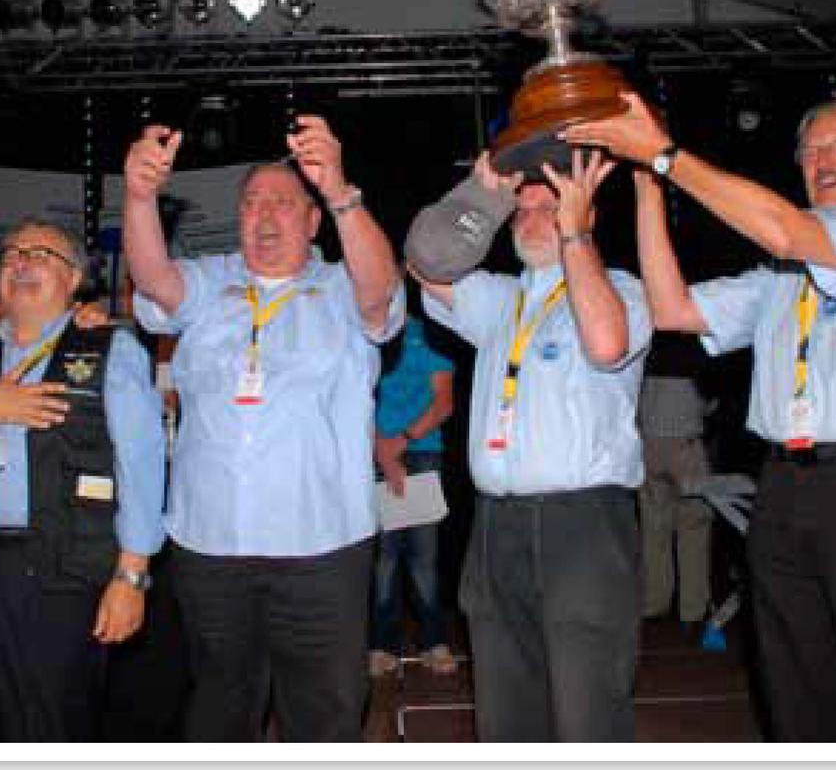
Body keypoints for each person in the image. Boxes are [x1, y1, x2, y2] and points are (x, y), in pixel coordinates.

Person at [562, 95, 836, 741]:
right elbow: (672, 310)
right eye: (808, 150)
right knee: (797, 691)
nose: (820, 160)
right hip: (785, 489)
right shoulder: (782, 272)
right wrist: (649, 187)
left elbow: (784, 228)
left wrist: (664, 153)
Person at [122, 115, 403, 741]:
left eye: (283, 202)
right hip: (210, 548)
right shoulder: (210, 281)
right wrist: (140, 198)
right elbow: (154, 280)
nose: (264, 215)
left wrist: (340, 191)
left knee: (325, 717)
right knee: (221, 709)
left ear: (312, 221)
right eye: (251, 202)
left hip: (321, 551)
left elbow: (381, 292)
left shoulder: (340, 284)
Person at [408, 148, 652, 741]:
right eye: (525, 212)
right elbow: (424, 265)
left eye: (551, 209)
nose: (532, 220)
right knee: (506, 709)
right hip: (496, 524)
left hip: (585, 523)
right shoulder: (497, 296)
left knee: (586, 708)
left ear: (585, 218)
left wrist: (575, 238)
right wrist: (482, 195)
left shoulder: (622, 288)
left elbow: (605, 343)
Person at [0, 218, 166, 741]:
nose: (21, 262)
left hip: (58, 571)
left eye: (41, 255)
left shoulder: (107, 352)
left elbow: (142, 467)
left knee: (52, 725)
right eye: (11, 255)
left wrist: (131, 579)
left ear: (75, 279)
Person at [369, 302, 456, 678]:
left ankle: (433, 641)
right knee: (382, 560)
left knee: (424, 558)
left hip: (421, 454)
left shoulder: (429, 335)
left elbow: (444, 403)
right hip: (372, 454)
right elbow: (352, 400)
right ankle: (380, 645)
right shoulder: (364, 336)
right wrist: (381, 452)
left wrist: (400, 443)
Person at [637, 358, 714, 634]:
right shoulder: (695, 345)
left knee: (653, 529)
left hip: (648, 443)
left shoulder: (646, 342)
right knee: (693, 528)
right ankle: (691, 610)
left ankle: (654, 605)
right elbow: (710, 401)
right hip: (686, 444)